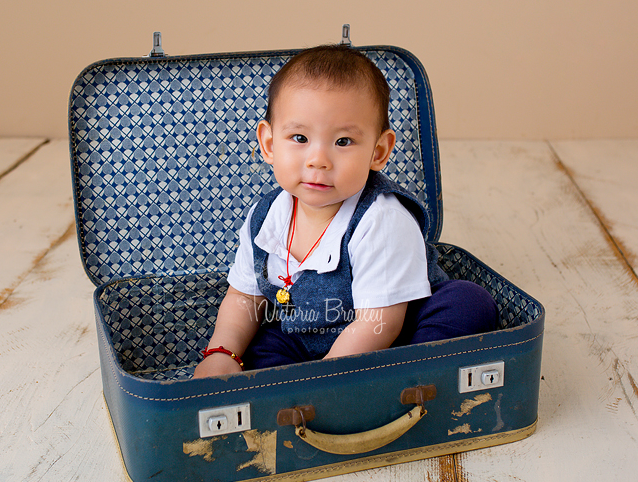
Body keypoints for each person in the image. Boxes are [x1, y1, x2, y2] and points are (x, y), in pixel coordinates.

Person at [192, 45, 497, 378]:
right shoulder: (265, 218)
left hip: (398, 331)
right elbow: (244, 297)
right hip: (308, 337)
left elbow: (379, 323)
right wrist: (222, 352)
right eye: (299, 137)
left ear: (378, 152)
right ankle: (285, 393)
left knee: (467, 303)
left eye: (343, 142)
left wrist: (326, 380)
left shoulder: (381, 219)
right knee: (263, 340)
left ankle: (412, 375)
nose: (318, 159)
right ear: (268, 145)